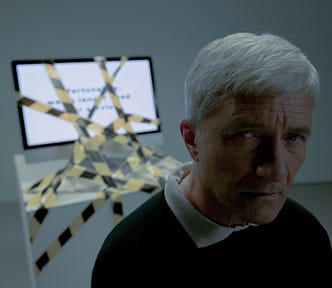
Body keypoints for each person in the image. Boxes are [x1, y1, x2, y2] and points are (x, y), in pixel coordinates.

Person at [91, 32, 332, 286]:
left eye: (293, 137)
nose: (275, 170)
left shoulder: (306, 235)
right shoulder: (126, 262)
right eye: (246, 135)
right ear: (192, 140)